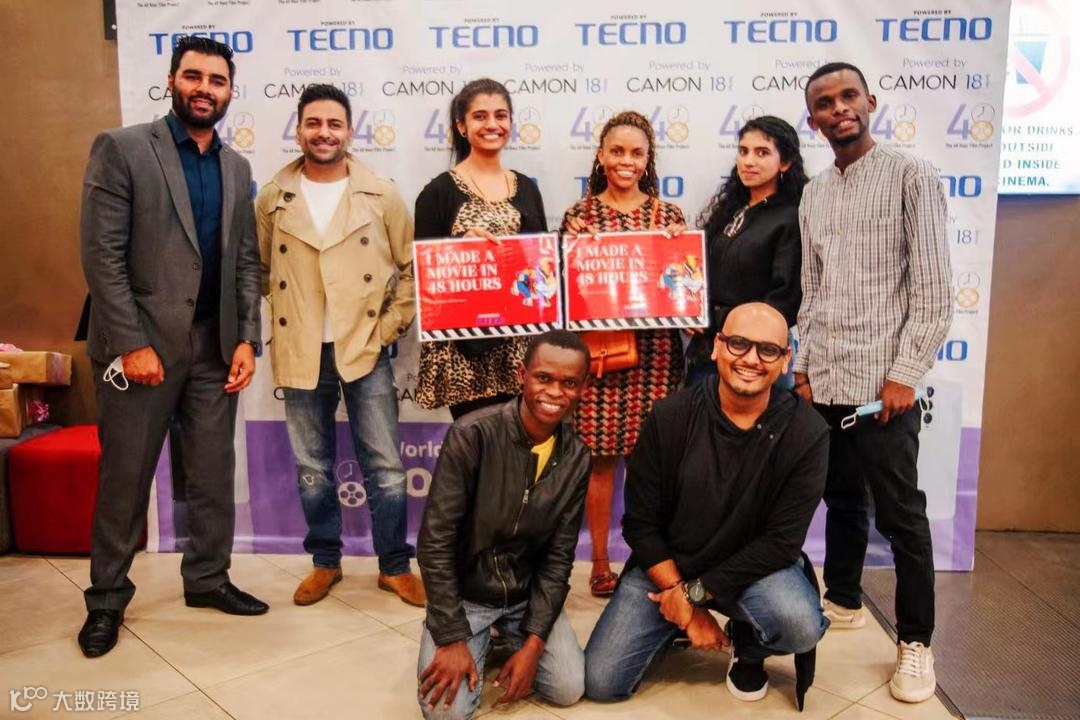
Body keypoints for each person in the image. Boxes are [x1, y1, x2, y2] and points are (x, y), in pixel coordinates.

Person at [77, 36, 265, 658]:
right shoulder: (124, 148)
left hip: (215, 347)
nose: (205, 88)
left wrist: (247, 338)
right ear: (172, 81)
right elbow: (101, 257)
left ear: (230, 91)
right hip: (141, 349)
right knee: (126, 477)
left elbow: (245, 262)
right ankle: (106, 599)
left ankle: (208, 579)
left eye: (217, 80)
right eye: (194, 76)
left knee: (212, 474)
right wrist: (131, 343)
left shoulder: (237, 168)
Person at [796, 61, 953, 703]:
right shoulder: (813, 192)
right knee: (841, 498)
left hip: (883, 387)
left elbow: (935, 292)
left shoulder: (911, 175)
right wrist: (803, 367)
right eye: (825, 102)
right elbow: (812, 289)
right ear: (814, 120)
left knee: (901, 515)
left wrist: (904, 375)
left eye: (848, 96)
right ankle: (843, 598)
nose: (839, 109)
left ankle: (915, 642)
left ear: (870, 102)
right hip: (827, 380)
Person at [584, 303, 829, 704]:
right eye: (738, 343)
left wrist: (693, 596)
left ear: (786, 360)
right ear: (716, 346)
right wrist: (684, 601)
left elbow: (781, 543)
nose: (751, 359)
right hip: (669, 567)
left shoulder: (807, 432)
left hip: (755, 572)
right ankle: (672, 624)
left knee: (799, 624)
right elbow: (640, 524)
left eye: (768, 350)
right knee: (601, 681)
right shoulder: (670, 416)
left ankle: (748, 644)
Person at [255, 84, 424, 608]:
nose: (323, 133)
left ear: (349, 131)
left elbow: (412, 269)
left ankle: (394, 566)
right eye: (314, 123)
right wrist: (288, 314)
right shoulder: (273, 196)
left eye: (334, 124)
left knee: (386, 467)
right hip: (302, 349)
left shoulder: (381, 193)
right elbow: (259, 269)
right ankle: (325, 562)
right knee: (312, 468)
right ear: (299, 129)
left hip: (364, 347)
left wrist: (386, 328)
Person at [416, 330, 592, 719]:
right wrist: (450, 636)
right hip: (467, 595)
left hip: (525, 596)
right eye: (543, 378)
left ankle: (503, 637)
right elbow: (435, 542)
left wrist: (534, 644)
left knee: (567, 687)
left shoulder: (578, 457)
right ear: (522, 375)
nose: (554, 392)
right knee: (446, 713)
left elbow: (559, 557)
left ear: (582, 389)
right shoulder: (472, 434)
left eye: (569, 383)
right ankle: (463, 633)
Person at [560, 111, 686, 597]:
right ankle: (598, 562)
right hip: (600, 358)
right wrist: (577, 253)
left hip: (656, 356)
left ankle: (650, 562)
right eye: (617, 151)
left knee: (650, 466)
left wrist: (676, 256)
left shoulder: (668, 218)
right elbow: (565, 295)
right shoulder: (580, 217)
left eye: (636, 153)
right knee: (600, 462)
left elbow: (685, 290)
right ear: (600, 155)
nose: (626, 161)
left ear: (648, 159)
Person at [413, 79, 548, 419]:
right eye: (480, 116)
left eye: (500, 115)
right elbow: (422, 277)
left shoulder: (527, 188)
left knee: (522, 447)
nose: (492, 124)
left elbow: (541, 267)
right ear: (461, 126)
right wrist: (457, 250)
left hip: (521, 347)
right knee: (476, 446)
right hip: (465, 354)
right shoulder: (438, 193)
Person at [686, 116, 808, 386]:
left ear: (785, 162)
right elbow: (700, 274)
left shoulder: (791, 218)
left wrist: (719, 322)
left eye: (762, 153)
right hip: (710, 350)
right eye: (743, 151)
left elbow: (784, 301)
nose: (748, 161)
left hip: (756, 357)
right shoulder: (731, 211)